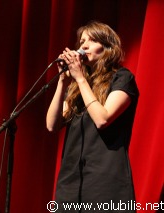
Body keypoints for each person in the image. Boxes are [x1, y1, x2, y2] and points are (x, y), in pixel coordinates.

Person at [46, 21, 139, 212]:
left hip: (104, 182)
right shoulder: (78, 88)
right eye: (81, 42)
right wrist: (63, 82)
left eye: (92, 40)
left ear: (107, 47)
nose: (83, 46)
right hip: (71, 181)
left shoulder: (122, 78)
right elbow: (51, 125)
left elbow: (102, 119)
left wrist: (79, 78)